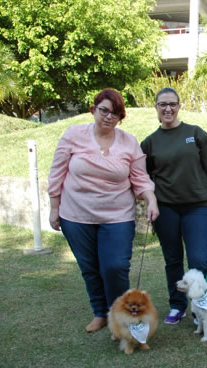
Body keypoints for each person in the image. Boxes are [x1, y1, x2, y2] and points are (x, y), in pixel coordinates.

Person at [48, 88, 159, 333]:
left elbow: (140, 178)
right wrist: (54, 208)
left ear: (121, 118)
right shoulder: (73, 135)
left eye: (116, 114)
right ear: (94, 110)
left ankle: (120, 315)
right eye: (104, 110)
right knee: (90, 267)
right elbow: (57, 173)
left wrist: (151, 200)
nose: (109, 117)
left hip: (117, 216)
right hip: (75, 216)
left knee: (115, 266)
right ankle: (100, 313)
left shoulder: (128, 141)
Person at [141, 88, 207, 325]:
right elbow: (142, 178)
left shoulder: (196, 134)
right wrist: (149, 202)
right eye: (162, 104)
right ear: (156, 107)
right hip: (166, 210)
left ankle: (201, 305)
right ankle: (177, 305)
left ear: (179, 106)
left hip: (196, 207)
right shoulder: (150, 143)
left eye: (172, 104)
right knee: (172, 260)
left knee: (198, 259)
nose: (168, 109)